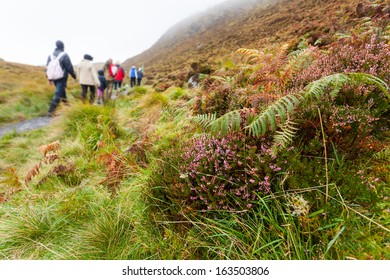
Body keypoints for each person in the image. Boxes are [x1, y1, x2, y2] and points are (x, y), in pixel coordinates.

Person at [46, 40, 76, 116]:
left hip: (54, 77)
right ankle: (51, 111)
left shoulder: (50, 55)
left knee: (62, 92)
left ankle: (67, 107)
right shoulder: (64, 55)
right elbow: (69, 66)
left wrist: (49, 78)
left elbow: (48, 67)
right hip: (62, 77)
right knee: (58, 93)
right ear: (63, 46)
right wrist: (74, 75)